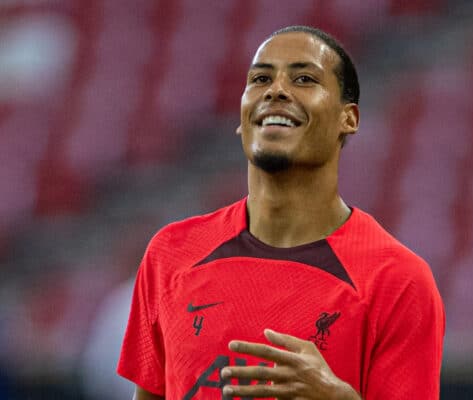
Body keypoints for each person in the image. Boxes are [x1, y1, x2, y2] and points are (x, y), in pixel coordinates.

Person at [117, 25, 445, 399]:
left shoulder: (399, 281)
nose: (276, 90)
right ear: (242, 120)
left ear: (348, 119)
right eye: (260, 78)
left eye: (304, 78)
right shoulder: (171, 253)